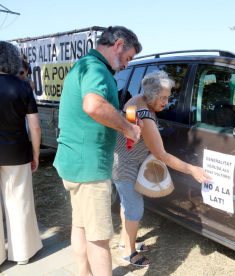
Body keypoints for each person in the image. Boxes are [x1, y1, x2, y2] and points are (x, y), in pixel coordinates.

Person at [53, 26, 142, 276]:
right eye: (128, 58)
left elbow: (93, 110)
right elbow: (93, 105)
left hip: (74, 163)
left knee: (80, 226)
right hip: (90, 167)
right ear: (118, 45)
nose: (126, 65)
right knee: (100, 238)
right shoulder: (98, 69)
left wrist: (123, 119)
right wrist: (128, 128)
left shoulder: (84, 64)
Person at [112, 70, 212, 266]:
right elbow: (161, 154)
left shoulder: (137, 99)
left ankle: (126, 242)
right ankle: (129, 254)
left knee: (127, 204)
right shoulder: (146, 116)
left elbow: (130, 122)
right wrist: (191, 169)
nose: (166, 103)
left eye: (168, 97)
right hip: (126, 166)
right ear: (150, 95)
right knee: (135, 209)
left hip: (122, 160)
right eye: (163, 98)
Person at [0, 41, 43, 265]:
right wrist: (35, 154)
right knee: (19, 200)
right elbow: (34, 126)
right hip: (17, 151)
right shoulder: (23, 86)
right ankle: (22, 253)